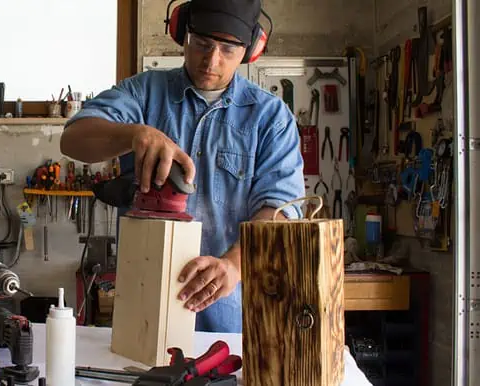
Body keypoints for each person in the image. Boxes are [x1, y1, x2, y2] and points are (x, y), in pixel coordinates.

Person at [59, 0, 305, 333]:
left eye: (228, 50)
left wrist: (234, 265)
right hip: (145, 312)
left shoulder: (271, 118)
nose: (211, 60)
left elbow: (280, 210)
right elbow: (73, 139)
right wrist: (134, 134)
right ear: (181, 33)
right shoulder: (143, 93)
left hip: (234, 321)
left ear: (250, 50)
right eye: (202, 44)